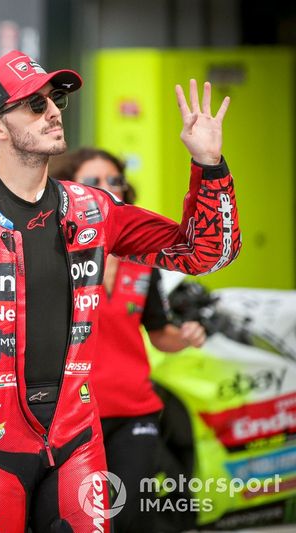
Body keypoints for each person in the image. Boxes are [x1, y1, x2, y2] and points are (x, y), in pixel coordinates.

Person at [0, 49, 240, 533]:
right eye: (34, 104)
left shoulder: (94, 208)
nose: (53, 111)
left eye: (56, 99)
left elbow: (206, 253)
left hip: (75, 439)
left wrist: (208, 166)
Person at [51, 147, 207, 531]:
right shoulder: (52, 256)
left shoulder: (143, 261)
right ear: (70, 190)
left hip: (135, 411)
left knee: (133, 517)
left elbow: (159, 334)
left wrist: (185, 336)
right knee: (80, 520)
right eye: (93, 182)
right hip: (72, 418)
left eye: (114, 181)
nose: (107, 189)